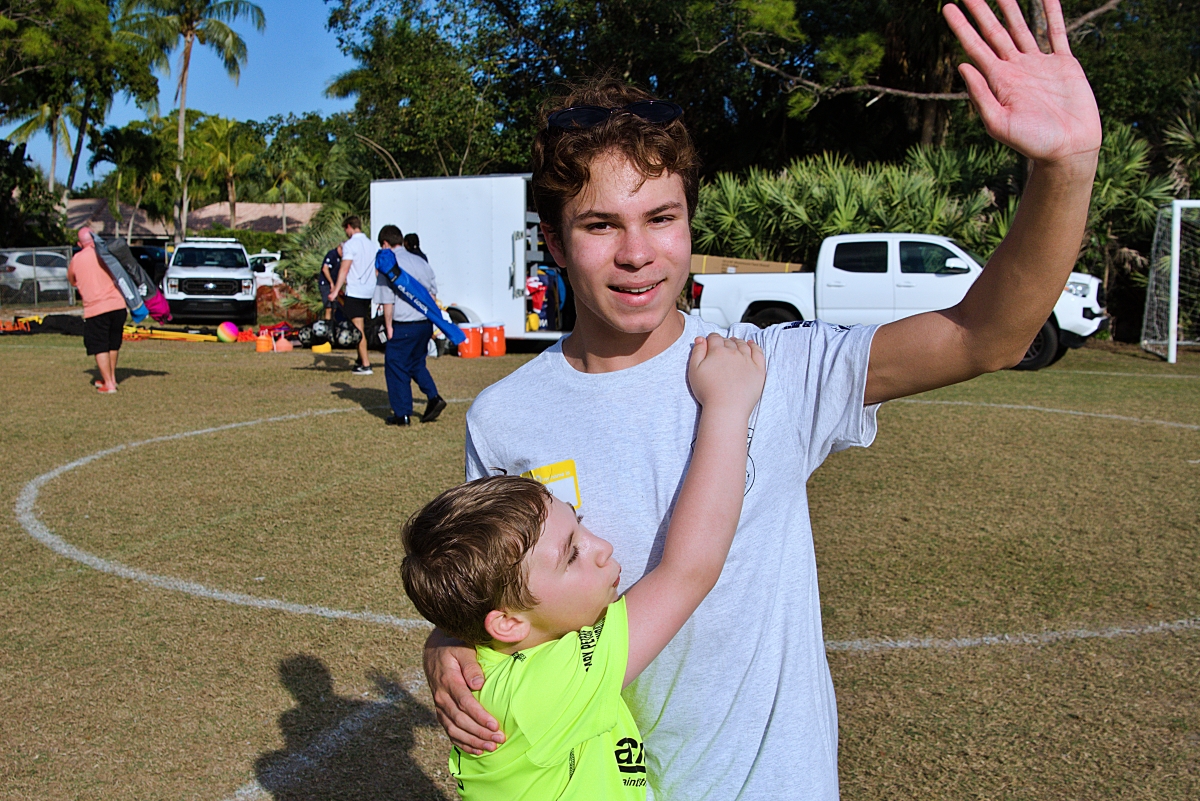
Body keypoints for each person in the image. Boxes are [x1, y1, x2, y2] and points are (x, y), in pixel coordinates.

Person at [425, 2, 1102, 799]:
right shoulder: (504, 419)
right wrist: (446, 639)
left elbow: (982, 334)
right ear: (553, 240)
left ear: (689, 220)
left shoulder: (770, 366)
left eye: (662, 217)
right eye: (601, 225)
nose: (638, 252)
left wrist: (1066, 169)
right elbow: (495, 592)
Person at [403, 332, 765, 799]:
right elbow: (688, 570)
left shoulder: (508, 657)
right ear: (508, 622)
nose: (601, 546)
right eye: (571, 553)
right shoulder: (547, 687)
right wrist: (728, 407)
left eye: (580, 524)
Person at [374, 224, 448, 426]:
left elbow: (387, 300)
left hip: (403, 324)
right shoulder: (421, 261)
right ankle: (433, 397)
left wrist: (388, 327)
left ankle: (402, 413)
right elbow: (432, 294)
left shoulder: (388, 264)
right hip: (424, 322)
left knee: (395, 366)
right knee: (416, 363)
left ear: (385, 244)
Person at [68, 227, 128, 394]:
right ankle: (111, 378)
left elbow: (72, 280)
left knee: (99, 345)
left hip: (96, 308)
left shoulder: (77, 258)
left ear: (80, 243)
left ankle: (109, 384)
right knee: (113, 343)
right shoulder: (107, 253)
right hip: (118, 305)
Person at [326, 215, 378, 375]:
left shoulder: (350, 245)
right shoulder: (372, 245)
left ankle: (366, 365)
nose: (346, 233)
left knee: (357, 328)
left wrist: (335, 291)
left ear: (349, 227)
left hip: (356, 291)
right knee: (361, 326)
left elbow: (344, 269)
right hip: (370, 291)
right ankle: (359, 359)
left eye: (345, 229)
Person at [319, 242, 343, 322]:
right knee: (329, 307)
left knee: (335, 307)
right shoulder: (332, 255)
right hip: (326, 284)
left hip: (334, 285)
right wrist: (331, 283)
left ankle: (332, 324)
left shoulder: (339, 258)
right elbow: (325, 269)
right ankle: (327, 325)